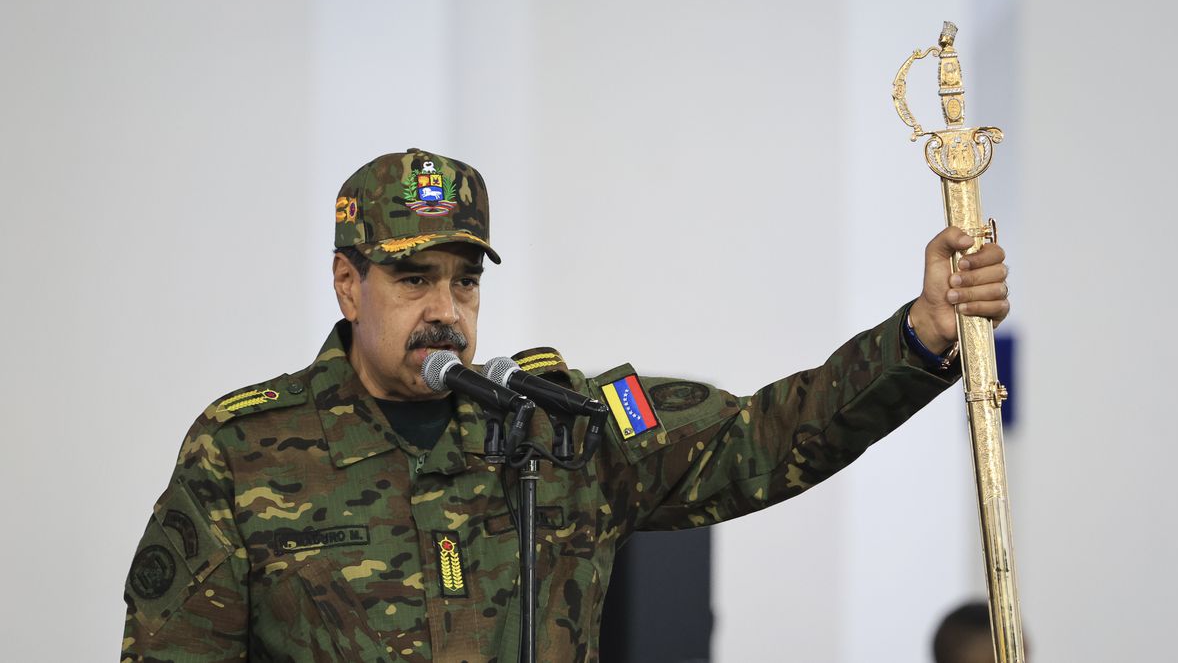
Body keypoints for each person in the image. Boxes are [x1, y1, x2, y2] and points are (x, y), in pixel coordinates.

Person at [121, 149, 1010, 662]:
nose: (446, 308)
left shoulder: (560, 422)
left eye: (465, 281)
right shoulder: (249, 449)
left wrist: (921, 333)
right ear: (349, 285)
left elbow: (760, 440)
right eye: (413, 277)